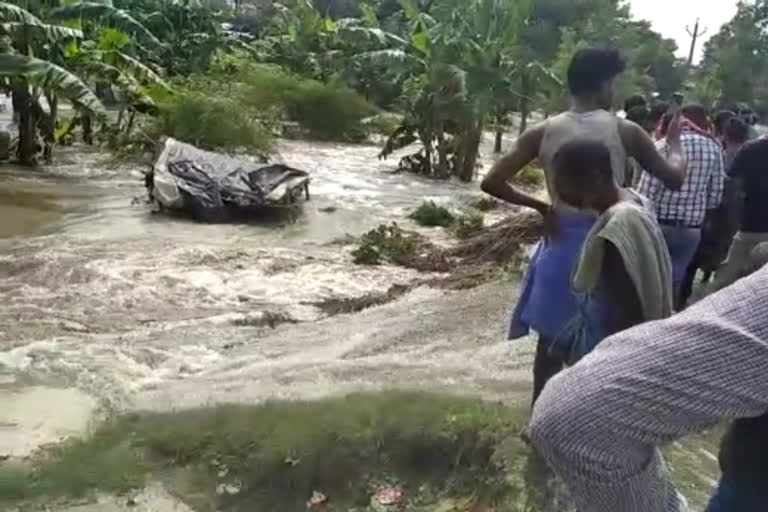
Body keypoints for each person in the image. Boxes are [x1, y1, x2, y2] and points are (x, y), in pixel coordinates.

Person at [481, 46, 686, 406]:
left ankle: (539, 422)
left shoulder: (543, 131)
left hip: (558, 249)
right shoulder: (626, 131)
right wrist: (675, 144)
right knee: (602, 345)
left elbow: (492, 181)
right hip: (609, 246)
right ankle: (585, 421)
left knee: (549, 346)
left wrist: (543, 208)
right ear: (605, 83)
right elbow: (673, 179)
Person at [529, 264, 768, 512]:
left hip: (607, 320)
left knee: (551, 354)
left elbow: (574, 417)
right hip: (635, 318)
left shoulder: (612, 229)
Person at [547, 139, 673, 364]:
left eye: (562, 182)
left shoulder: (618, 227)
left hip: (611, 353)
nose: (558, 192)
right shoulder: (636, 200)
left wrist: (615, 363)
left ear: (594, 178)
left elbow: (626, 311)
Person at [636, 104, 725, 309]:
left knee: (648, 279)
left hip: (657, 225)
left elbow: (645, 194)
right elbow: (715, 196)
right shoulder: (714, 149)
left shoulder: (663, 146)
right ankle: (666, 320)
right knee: (675, 280)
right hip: (690, 230)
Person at [679, 117, 750, 306]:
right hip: (735, 220)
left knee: (694, 260)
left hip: (714, 217)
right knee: (724, 261)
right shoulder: (744, 153)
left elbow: (717, 189)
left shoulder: (724, 154)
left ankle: (684, 298)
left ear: (725, 134)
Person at [713, 136, 768, 290]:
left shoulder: (750, 148)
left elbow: (731, 181)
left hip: (750, 227)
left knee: (725, 285)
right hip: (751, 228)